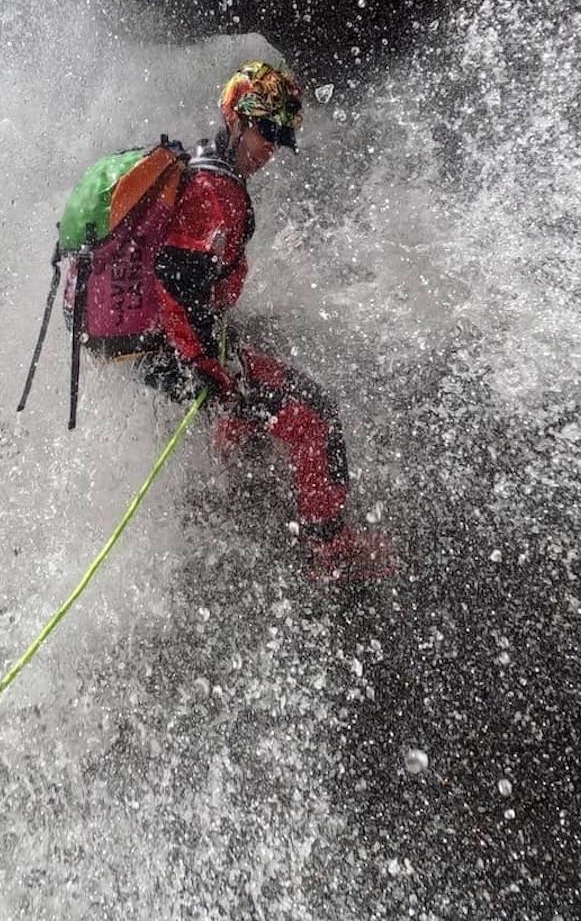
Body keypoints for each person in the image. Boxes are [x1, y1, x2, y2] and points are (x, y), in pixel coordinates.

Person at [85, 60, 396, 586]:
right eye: (265, 130)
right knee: (316, 415)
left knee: (263, 349)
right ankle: (333, 551)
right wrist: (208, 367)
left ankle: (235, 469)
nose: (272, 147)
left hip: (148, 347)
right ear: (235, 119)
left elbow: (187, 277)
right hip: (176, 353)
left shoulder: (199, 170)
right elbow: (176, 279)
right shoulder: (216, 192)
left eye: (282, 136)